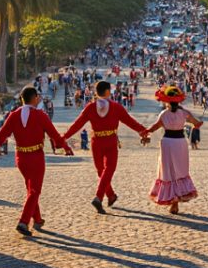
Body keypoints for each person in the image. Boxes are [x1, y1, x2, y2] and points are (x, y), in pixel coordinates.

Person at [0, 86, 73, 236]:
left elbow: (1, 135)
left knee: (30, 188)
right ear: (35, 98)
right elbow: (54, 135)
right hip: (36, 157)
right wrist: (65, 147)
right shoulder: (41, 115)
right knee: (34, 190)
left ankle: (37, 219)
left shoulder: (13, 115)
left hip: (21, 158)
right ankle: (24, 221)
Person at [62, 80, 150, 214]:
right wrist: (144, 131)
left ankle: (111, 195)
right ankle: (98, 196)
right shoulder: (116, 107)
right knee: (109, 169)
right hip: (110, 141)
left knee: (100, 171)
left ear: (96, 92)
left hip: (96, 141)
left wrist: (63, 137)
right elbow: (130, 121)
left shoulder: (90, 107)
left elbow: (77, 124)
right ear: (108, 91)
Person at [143, 86, 203, 215]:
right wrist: (197, 124)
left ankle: (173, 201)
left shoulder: (164, 114)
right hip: (180, 142)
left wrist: (146, 131)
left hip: (168, 143)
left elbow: (155, 127)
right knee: (180, 171)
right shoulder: (184, 113)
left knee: (168, 172)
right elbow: (196, 123)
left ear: (167, 100)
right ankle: (176, 201)